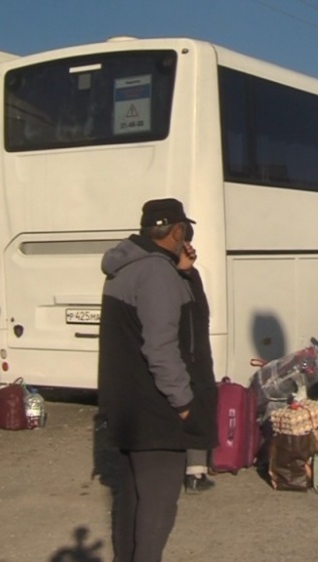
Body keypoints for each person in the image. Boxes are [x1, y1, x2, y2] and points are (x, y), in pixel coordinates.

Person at [98, 198, 218, 561]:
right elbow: (162, 348)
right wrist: (183, 404)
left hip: (128, 405)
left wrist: (184, 270)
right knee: (159, 505)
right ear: (178, 231)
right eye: (187, 230)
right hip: (157, 410)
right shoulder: (157, 274)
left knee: (132, 499)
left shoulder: (129, 267)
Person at [177, 223, 219, 493]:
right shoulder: (177, 276)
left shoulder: (189, 274)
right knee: (195, 403)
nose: (191, 248)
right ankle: (195, 472)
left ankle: (196, 468)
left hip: (193, 353)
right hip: (189, 356)